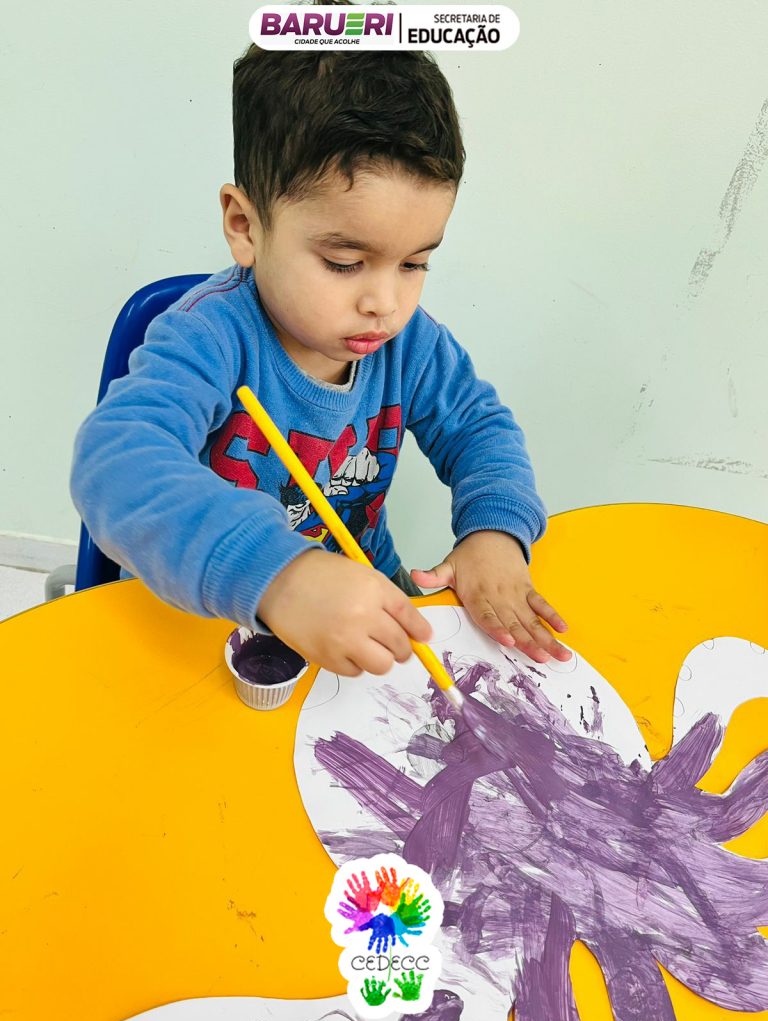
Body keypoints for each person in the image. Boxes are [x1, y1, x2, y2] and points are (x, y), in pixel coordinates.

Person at [71, 28, 571, 678]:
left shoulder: (410, 344)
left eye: (414, 263)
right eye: (344, 262)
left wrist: (494, 532)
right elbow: (115, 463)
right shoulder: (208, 337)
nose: (384, 303)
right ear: (245, 226)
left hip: (359, 608)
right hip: (204, 620)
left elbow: (480, 428)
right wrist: (282, 578)